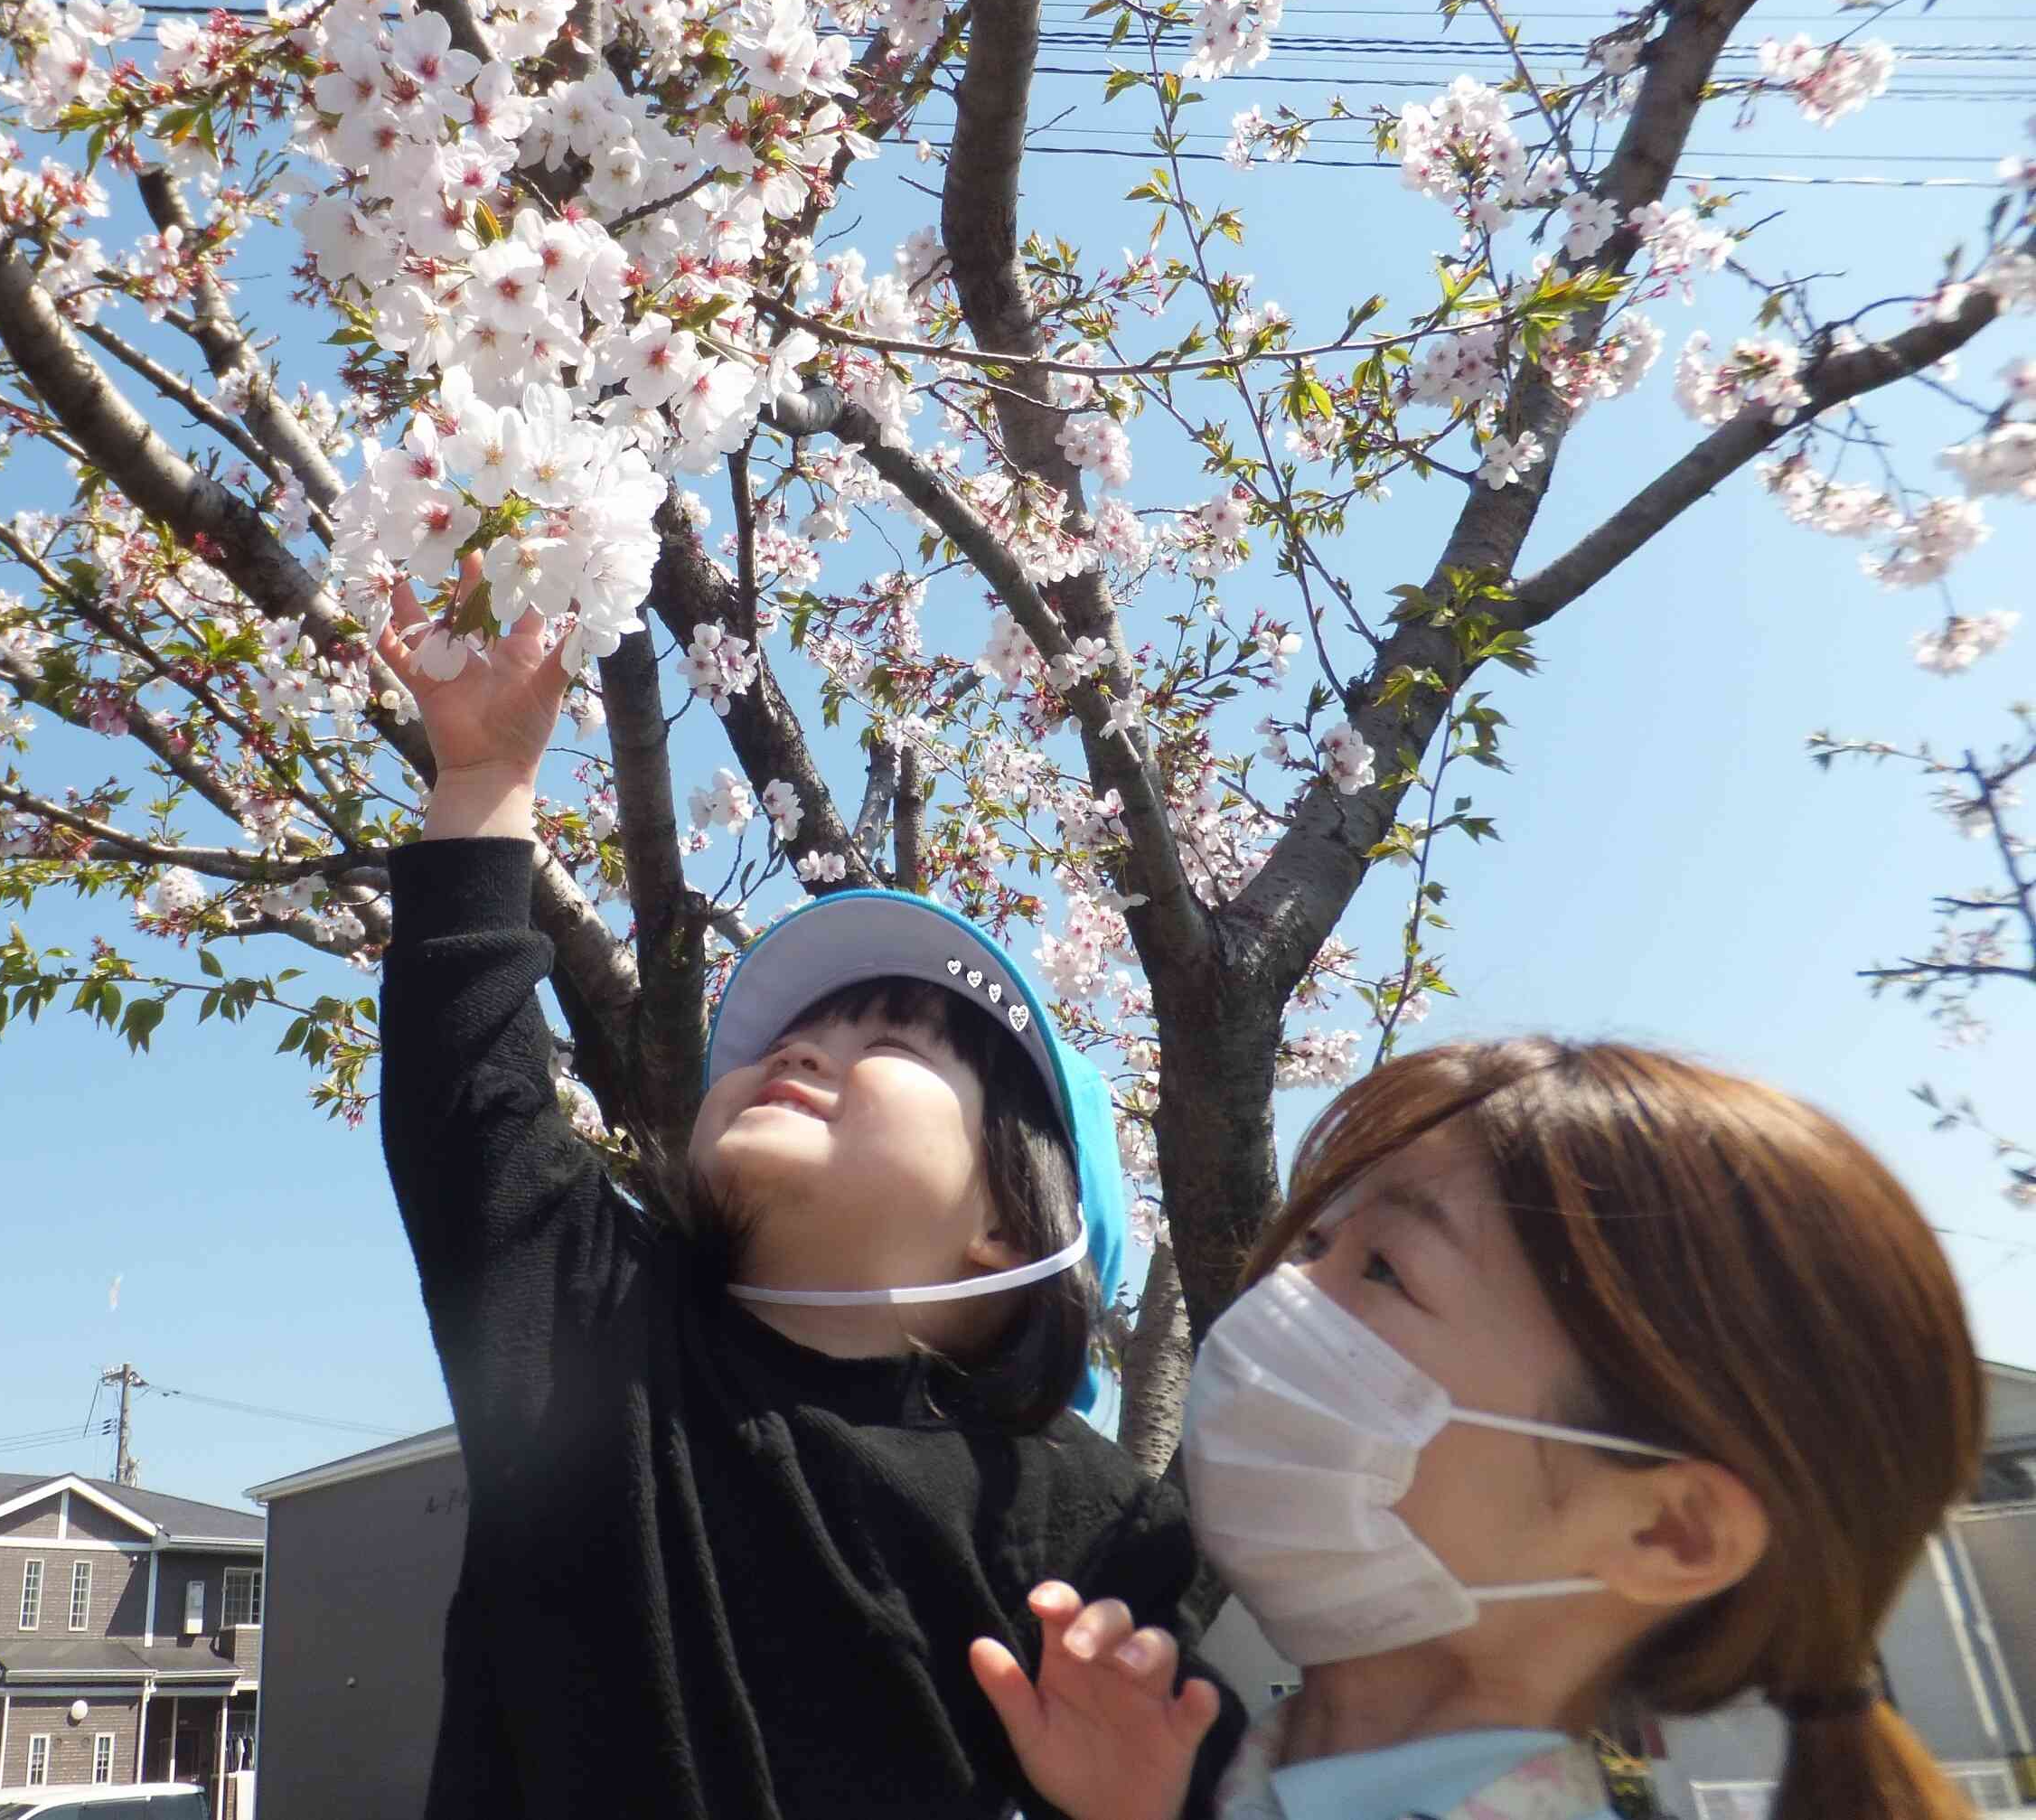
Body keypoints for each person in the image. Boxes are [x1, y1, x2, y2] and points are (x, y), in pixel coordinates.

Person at [372, 572, 1243, 1820]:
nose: (802, 1049)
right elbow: (474, 1101)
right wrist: (487, 782)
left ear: (1010, 1224)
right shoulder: (600, 1334)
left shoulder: (1085, 1526)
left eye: (890, 1041)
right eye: (795, 1030)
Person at [970, 1038, 1986, 1820]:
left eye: (1382, 1270)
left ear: (1666, 1531)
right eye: (1313, 1241)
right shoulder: (1235, 1763)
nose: (1275, 1299)